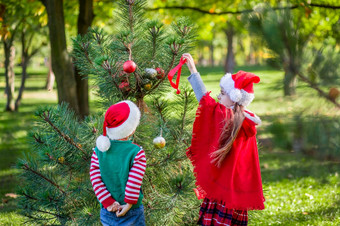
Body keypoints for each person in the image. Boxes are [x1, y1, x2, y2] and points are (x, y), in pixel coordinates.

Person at [182, 53, 265, 226]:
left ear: (235, 97)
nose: (218, 97)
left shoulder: (228, 117)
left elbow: (204, 100)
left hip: (222, 193)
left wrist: (193, 70)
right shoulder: (245, 120)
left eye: (222, 93)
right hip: (236, 193)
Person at [89, 100, 146, 226]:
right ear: (131, 130)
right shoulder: (136, 152)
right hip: (132, 211)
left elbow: (95, 179)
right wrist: (129, 204)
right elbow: (134, 180)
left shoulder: (98, 152)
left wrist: (108, 202)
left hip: (107, 211)